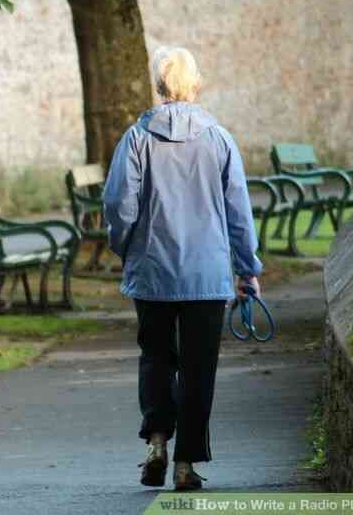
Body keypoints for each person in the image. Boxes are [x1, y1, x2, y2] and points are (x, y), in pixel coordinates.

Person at [102, 46, 262, 491]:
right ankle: (186, 464)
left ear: (157, 86)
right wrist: (247, 268)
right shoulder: (220, 140)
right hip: (206, 276)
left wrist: (125, 247)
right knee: (199, 368)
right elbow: (238, 212)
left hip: (152, 272)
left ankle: (156, 440)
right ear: (195, 84)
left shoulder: (136, 139)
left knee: (155, 358)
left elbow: (118, 204)